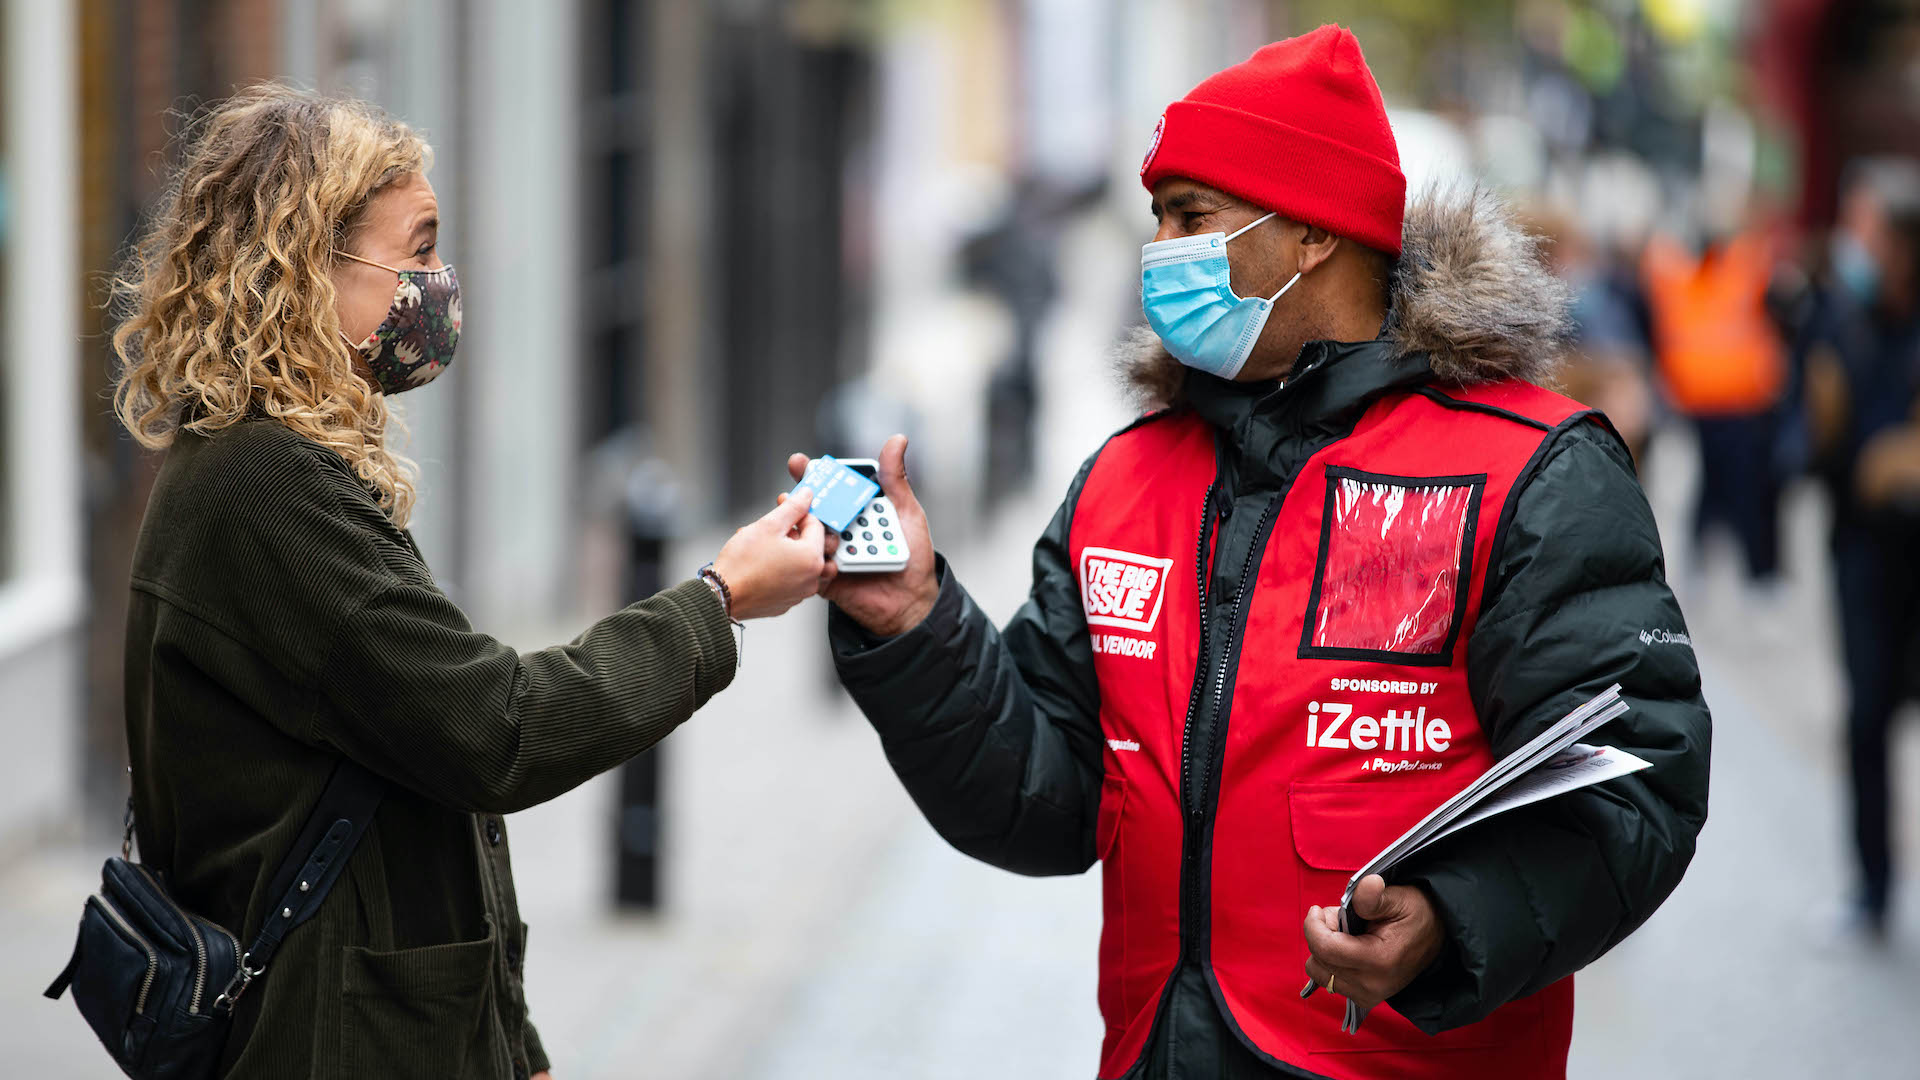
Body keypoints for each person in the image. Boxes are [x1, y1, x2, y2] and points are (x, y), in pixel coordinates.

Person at [802, 27, 1711, 1079]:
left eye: (1192, 217)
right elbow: (1043, 799)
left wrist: (1454, 918)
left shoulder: (1528, 474)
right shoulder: (1124, 482)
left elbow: (1638, 781)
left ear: (1313, 234)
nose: (1161, 252)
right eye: (1157, 220)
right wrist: (914, 625)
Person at [110, 86, 829, 1079]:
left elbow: (420, 776)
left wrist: (511, 1040)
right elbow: (496, 728)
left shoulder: (265, 470)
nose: (439, 284)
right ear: (305, 266)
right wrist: (717, 601)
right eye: (419, 248)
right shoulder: (261, 488)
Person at [1799, 157, 1920, 940]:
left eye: (1868, 232)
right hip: (1861, 553)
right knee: (1866, 715)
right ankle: (1872, 889)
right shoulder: (1837, 319)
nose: (1855, 247)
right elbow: (1810, 445)